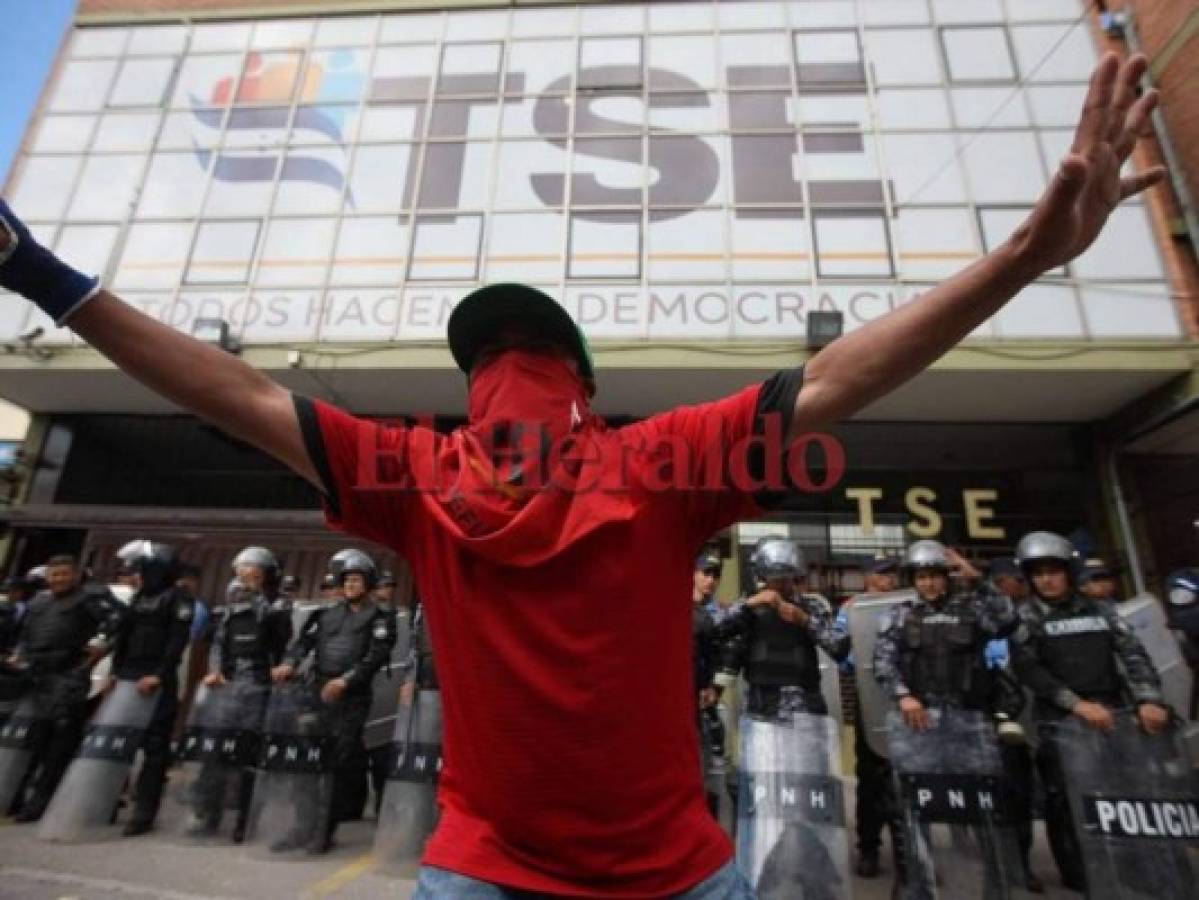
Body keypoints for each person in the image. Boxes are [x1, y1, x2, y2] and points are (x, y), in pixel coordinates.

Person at [0, 53, 1165, 896]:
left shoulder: (416, 472)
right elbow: (837, 381)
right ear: (587, 393)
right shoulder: (653, 464)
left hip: (488, 871)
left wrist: (42, 274)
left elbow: (236, 394)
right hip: (667, 874)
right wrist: (1019, 257)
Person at [1010, 531, 1169, 893]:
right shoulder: (1026, 618)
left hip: (1116, 715)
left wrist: (1149, 700)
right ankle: (1079, 873)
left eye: (1053, 571)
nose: (1046, 579)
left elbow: (1132, 654)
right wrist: (1077, 705)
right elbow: (1030, 670)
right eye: (1038, 573)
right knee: (1066, 801)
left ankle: (1131, 865)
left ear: (1069, 571)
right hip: (1061, 720)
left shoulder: (1101, 610)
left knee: (1125, 794)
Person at [874, 540, 1025, 893]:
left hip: (969, 722)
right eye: (922, 577)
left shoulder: (972, 609)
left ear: (947, 577)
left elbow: (1008, 623)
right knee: (913, 808)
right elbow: (883, 662)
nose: (929, 584)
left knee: (983, 808)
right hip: (918, 723)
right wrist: (904, 696)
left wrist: (978, 580)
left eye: (935, 576)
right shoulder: (899, 614)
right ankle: (919, 885)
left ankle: (992, 887)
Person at [269, 549, 395, 853]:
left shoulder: (380, 619)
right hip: (316, 692)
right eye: (347, 579)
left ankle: (324, 830)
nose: (351, 585)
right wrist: (289, 663)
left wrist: (346, 681)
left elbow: (375, 657)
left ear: (368, 583)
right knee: (305, 760)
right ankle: (301, 826)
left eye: (357, 579)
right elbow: (302, 644)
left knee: (335, 765)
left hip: (350, 699)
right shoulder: (324, 615)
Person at [6, 555, 121, 822]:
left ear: (76, 575)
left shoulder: (89, 601)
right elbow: (24, 635)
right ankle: (16, 796)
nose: (59, 579)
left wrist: (95, 655)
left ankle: (42, 800)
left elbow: (117, 627)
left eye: (64, 574)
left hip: (67, 674)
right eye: (54, 574)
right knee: (28, 738)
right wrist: (20, 655)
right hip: (34, 674)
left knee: (59, 743)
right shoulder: (38, 602)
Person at [187, 549, 293, 842]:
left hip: (259, 687)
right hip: (228, 685)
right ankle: (207, 814)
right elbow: (219, 641)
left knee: (249, 754)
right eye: (241, 569)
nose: (244, 575)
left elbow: (279, 637)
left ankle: (245, 820)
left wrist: (255, 595)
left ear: (265, 573)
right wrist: (214, 669)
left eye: (251, 570)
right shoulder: (231, 604)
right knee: (214, 752)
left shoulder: (278, 605)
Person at [109, 541, 195, 836]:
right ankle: (106, 800)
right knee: (115, 740)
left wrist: (159, 674)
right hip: (128, 675)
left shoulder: (178, 598)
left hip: (156, 679)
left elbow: (177, 640)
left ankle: (144, 812)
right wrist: (116, 672)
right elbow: (123, 637)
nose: (138, 574)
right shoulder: (138, 598)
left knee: (155, 747)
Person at [835, 556, 899, 879]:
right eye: (883, 574)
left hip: (904, 702)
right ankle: (869, 849)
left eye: (892, 575)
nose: (889, 580)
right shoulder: (852, 609)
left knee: (906, 779)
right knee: (871, 778)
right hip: (870, 701)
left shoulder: (905, 605)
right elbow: (842, 659)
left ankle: (909, 850)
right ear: (868, 577)